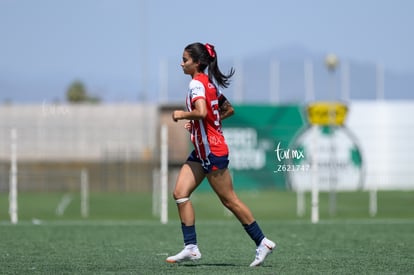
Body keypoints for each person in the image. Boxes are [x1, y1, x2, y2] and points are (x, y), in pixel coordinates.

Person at [166, 42, 276, 267]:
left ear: (197, 63)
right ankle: (191, 248)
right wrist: (199, 125)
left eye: (185, 60)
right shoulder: (209, 84)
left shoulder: (197, 84)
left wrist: (183, 115)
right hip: (201, 151)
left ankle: (262, 242)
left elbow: (203, 112)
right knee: (180, 193)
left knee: (229, 200)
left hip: (213, 151)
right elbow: (227, 110)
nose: (181, 63)